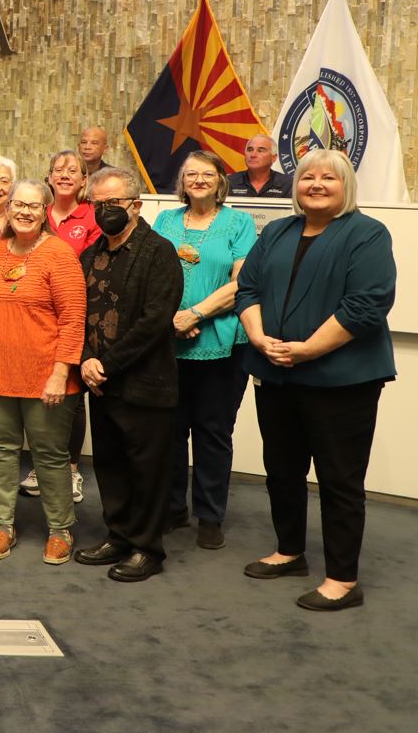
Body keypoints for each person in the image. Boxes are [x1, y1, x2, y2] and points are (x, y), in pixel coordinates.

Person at [235, 149, 395, 612]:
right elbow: (248, 288)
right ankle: (289, 552)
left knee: (339, 479)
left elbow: (366, 305)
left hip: (341, 379)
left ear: (346, 187)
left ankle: (343, 579)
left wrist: (306, 350)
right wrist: (260, 338)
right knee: (282, 470)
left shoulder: (367, 234)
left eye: (329, 177)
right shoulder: (279, 231)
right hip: (274, 370)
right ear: (296, 185)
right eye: (308, 177)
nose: (317, 185)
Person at [0, 180, 85, 565]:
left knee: (49, 455)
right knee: (0, 450)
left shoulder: (59, 254)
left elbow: (73, 319)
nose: (25, 212)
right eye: (19, 204)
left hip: (45, 375)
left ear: (45, 211)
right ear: (8, 208)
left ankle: (60, 529)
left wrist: (59, 372)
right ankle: (3, 525)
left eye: (34, 206)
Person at [73, 167, 183, 583]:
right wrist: (85, 359)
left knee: (147, 470)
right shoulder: (89, 254)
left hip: (144, 383)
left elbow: (156, 321)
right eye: (97, 204)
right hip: (99, 383)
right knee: (110, 465)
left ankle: (147, 548)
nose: (104, 211)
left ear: (135, 205)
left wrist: (108, 364)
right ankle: (117, 536)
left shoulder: (159, 252)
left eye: (113, 203)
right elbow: (75, 315)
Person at [151, 151, 257, 550]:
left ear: (220, 180)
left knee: (213, 432)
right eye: (190, 174)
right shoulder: (165, 220)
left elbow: (241, 283)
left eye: (206, 173)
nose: (198, 179)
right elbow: (152, 273)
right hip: (169, 344)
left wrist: (193, 314)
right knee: (171, 431)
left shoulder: (239, 222)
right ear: (181, 181)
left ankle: (210, 516)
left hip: (222, 343)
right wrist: (170, 319)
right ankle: (174, 507)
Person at [21, 150, 101, 503]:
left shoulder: (93, 217)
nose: (65, 175)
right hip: (35, 317)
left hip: (73, 313)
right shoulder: (37, 213)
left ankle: (69, 468)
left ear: (84, 180)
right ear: (48, 176)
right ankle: (41, 465)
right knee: (39, 393)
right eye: (58, 170)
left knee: (71, 394)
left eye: (73, 171)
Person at [227, 134, 292, 198]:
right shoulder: (229, 182)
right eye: (250, 150)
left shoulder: (288, 184)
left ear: (273, 158)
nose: (253, 155)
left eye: (260, 151)